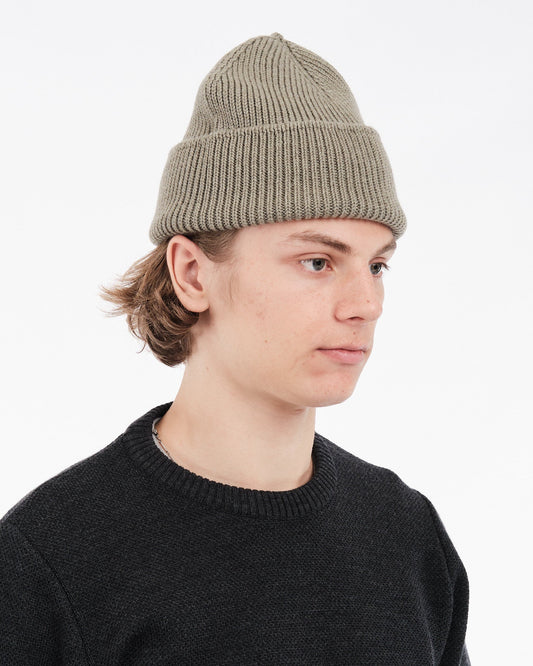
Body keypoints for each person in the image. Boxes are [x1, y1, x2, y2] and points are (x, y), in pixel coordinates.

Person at [0, 32, 470, 664]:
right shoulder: (51, 561)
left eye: (377, 265)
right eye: (317, 261)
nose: (366, 303)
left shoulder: (406, 536)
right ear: (193, 273)